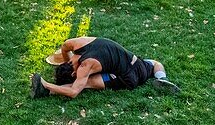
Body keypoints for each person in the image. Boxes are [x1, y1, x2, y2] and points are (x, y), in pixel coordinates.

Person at [30, 36, 180, 99]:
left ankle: (47, 90)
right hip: (137, 62)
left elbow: (74, 91)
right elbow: (64, 48)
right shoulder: (77, 43)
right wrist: (68, 63)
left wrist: (46, 83)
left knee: (87, 83)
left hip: (128, 78)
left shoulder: (85, 67)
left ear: (75, 73)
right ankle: (162, 78)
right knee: (155, 63)